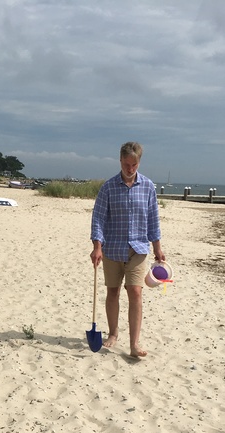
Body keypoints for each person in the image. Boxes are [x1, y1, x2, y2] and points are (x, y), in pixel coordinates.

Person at [90, 141, 165, 359]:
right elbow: (98, 219)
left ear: (139, 162)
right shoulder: (108, 187)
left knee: (135, 291)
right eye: (126, 164)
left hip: (138, 249)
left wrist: (157, 248)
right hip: (112, 248)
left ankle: (134, 344)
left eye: (134, 165)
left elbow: (153, 219)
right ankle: (113, 333)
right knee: (113, 292)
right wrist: (97, 246)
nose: (130, 169)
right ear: (120, 160)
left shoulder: (148, 186)